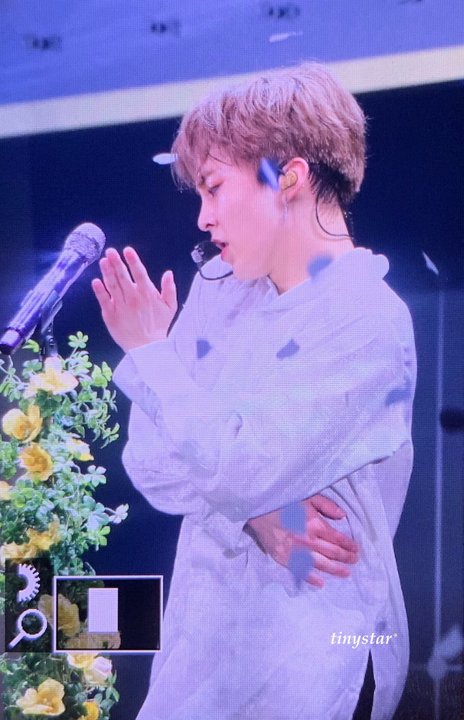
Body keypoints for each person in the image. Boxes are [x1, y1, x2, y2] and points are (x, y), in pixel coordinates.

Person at [92, 62, 416, 720]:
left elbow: (236, 468)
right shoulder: (221, 291)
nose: (204, 218)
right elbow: (151, 461)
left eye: (214, 189)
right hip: (204, 651)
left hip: (313, 656)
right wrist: (254, 515)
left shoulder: (366, 318)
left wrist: (153, 354)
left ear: (287, 178)